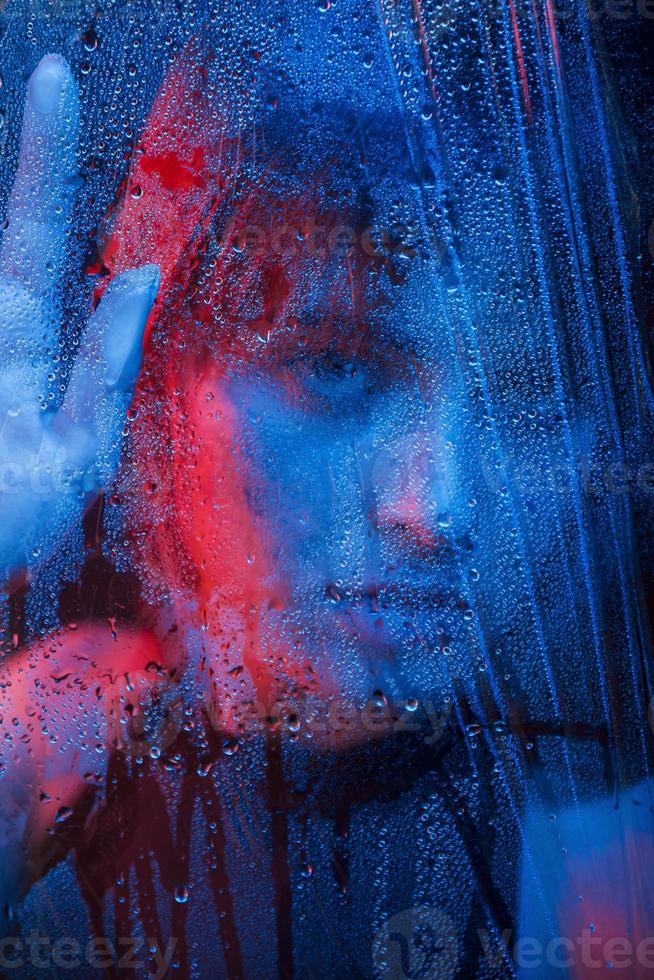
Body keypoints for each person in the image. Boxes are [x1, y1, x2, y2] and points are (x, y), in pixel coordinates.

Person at [0, 13, 653, 975]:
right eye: (339, 365)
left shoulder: (613, 872)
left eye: (531, 395)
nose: (440, 509)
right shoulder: (50, 750)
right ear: (150, 390)